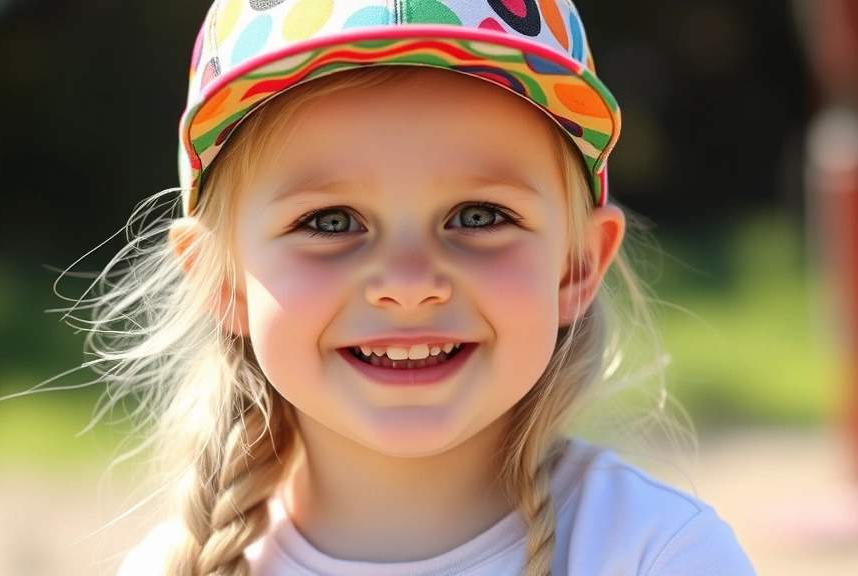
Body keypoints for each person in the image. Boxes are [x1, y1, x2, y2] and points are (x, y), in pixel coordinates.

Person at [95, 1, 755, 574]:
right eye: (330, 222)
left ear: (577, 266)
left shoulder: (657, 557)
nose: (409, 285)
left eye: (479, 217)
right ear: (225, 282)